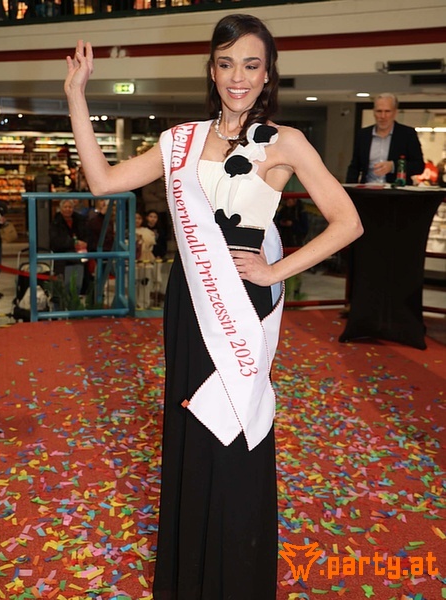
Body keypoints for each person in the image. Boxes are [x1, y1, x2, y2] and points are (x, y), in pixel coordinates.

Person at [64, 14, 363, 599]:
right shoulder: (182, 140)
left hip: (241, 301)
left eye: (251, 65)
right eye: (227, 64)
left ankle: (235, 577)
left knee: (235, 433)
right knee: (191, 426)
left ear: (268, 74)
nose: (238, 77)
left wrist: (275, 270)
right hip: (191, 300)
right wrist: (77, 95)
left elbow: (347, 222)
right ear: (211, 69)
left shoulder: (285, 142)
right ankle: (191, 576)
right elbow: (102, 182)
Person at [346, 93, 425, 185]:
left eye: (387, 111)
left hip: (396, 190)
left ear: (395, 112)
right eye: (379, 111)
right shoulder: (363, 135)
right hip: (368, 189)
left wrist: (393, 166)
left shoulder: (407, 134)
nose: (383, 116)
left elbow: (419, 166)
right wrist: (348, 190)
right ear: (373, 112)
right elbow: (354, 167)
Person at [49, 199, 89, 292]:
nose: (68, 209)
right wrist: (73, 243)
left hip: (79, 256)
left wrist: (85, 242)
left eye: (70, 207)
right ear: (61, 209)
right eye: (65, 207)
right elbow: (56, 241)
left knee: (78, 284)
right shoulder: (55, 223)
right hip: (62, 258)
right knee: (64, 287)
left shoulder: (80, 221)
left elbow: (87, 235)